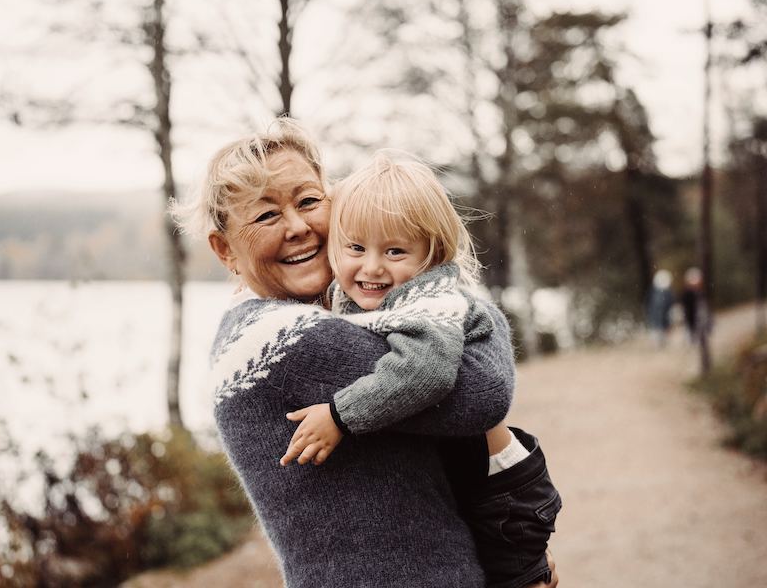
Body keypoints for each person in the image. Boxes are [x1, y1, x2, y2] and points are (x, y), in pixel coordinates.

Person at [172, 118, 558, 588]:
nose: (296, 226)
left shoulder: (345, 311)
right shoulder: (277, 341)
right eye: (266, 215)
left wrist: (515, 562)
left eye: (308, 201)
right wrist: (463, 308)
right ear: (224, 249)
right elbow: (483, 392)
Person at [278, 151, 561, 588]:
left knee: (519, 581)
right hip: (466, 476)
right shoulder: (359, 295)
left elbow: (425, 371)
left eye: (395, 251)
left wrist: (340, 415)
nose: (372, 267)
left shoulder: (432, 302)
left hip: (501, 492)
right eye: (355, 247)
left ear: (431, 255)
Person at [646, 269, 674, 347]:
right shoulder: (654, 291)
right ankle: (659, 343)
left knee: (659, 330)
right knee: (658, 330)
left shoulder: (665, 292)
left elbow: (670, 304)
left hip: (661, 317)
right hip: (658, 317)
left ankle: (660, 342)